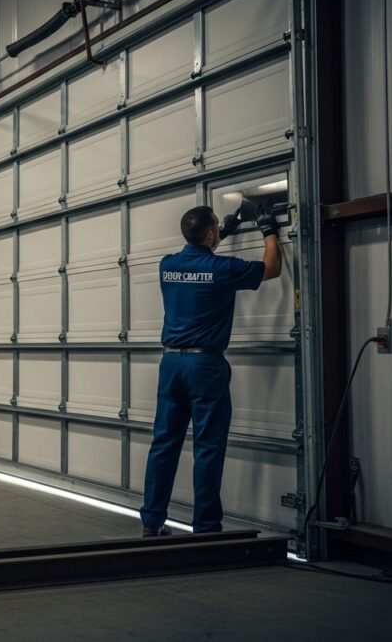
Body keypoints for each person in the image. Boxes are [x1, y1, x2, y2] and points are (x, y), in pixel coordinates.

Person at [140, 204, 281, 537]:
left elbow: (198, 264)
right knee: (207, 447)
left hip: (172, 364)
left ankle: (151, 523)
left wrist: (223, 230)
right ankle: (205, 528)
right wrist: (268, 229)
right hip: (206, 366)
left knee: (164, 445)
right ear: (208, 234)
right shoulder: (224, 270)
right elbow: (271, 267)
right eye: (216, 227)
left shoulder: (167, 265)